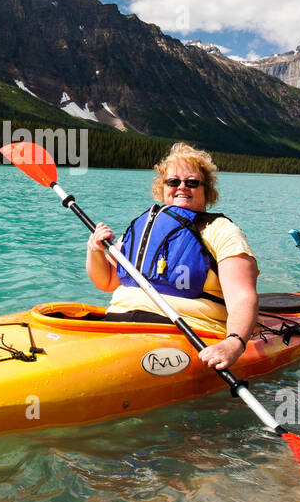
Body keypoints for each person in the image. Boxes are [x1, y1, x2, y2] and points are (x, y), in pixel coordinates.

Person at [85, 143, 259, 371]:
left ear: (206, 189)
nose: (182, 187)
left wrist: (234, 342)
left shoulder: (221, 231)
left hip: (185, 332)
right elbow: (106, 281)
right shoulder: (144, 227)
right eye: (173, 181)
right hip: (118, 323)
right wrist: (95, 250)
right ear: (163, 186)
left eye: (192, 182)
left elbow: (242, 298)